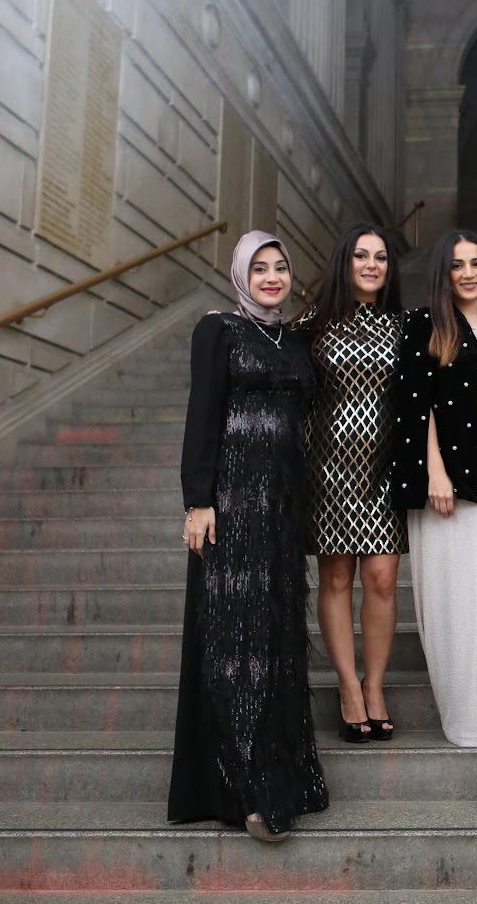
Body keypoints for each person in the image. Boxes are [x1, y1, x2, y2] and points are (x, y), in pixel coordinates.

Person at [168, 230, 329, 843]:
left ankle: (286, 775)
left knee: (278, 638)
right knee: (238, 641)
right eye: (259, 268)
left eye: (280, 267)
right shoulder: (219, 330)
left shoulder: (296, 339)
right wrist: (197, 501)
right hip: (232, 507)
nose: (271, 277)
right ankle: (249, 790)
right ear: (240, 274)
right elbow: (202, 414)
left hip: (283, 508)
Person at [394, 230, 477, 749]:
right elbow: (416, 401)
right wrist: (435, 471)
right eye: (457, 265)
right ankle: (464, 716)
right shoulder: (425, 325)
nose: (469, 273)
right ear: (442, 274)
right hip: (452, 472)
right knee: (457, 590)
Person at [299, 225, 406, 743]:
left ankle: (375, 685)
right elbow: (267, 347)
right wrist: (225, 324)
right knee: (337, 576)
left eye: (380, 257)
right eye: (361, 255)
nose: (371, 265)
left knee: (382, 578)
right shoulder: (312, 324)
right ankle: (347, 687)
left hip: (384, 468)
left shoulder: (404, 325)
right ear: (344, 263)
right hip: (326, 468)